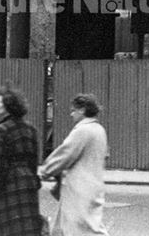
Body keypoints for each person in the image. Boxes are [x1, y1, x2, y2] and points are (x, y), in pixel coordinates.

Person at [40, 93, 109, 235]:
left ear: (82, 110)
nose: (71, 114)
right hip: (93, 186)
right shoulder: (99, 130)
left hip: (79, 189)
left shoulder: (83, 130)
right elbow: (105, 155)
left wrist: (45, 171)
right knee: (65, 228)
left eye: (73, 110)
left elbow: (64, 154)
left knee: (84, 230)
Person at [0, 86, 44, 236]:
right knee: (26, 227)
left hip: (9, 182)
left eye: (0, 102)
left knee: (3, 227)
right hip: (27, 182)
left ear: (8, 107)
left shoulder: (1, 130)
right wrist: (33, 181)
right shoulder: (31, 129)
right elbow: (34, 160)